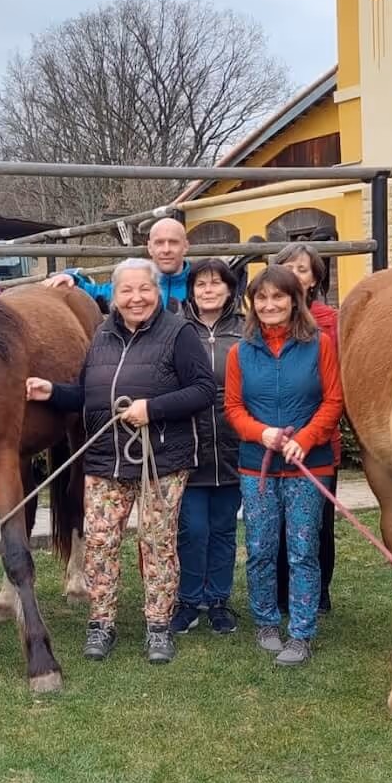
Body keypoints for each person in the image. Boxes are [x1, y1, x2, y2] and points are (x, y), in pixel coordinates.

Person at [25, 259, 214, 665]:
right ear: (114, 296)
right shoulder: (102, 336)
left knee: (157, 543)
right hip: (106, 458)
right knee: (99, 543)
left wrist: (154, 408)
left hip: (160, 459)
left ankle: (159, 626)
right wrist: (52, 392)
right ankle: (102, 621)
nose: (136, 298)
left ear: (157, 291)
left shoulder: (178, 334)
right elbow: (88, 395)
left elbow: (203, 391)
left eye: (144, 289)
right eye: (126, 291)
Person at [224, 265, 344, 666]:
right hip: (256, 465)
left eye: (278, 297)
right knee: (259, 547)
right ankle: (266, 621)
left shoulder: (320, 345)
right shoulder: (240, 353)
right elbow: (233, 408)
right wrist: (263, 434)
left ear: (295, 300)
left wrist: (305, 439)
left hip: (309, 465)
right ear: (252, 304)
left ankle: (302, 632)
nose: (270, 304)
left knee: (303, 549)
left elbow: (333, 401)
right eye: (261, 298)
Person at [173, 258, 247, 635]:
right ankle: (187, 600)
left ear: (230, 290)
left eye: (216, 283)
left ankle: (218, 600)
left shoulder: (247, 331)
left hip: (233, 446)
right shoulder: (177, 330)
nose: (208, 290)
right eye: (200, 284)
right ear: (191, 291)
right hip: (190, 447)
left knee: (222, 529)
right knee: (192, 529)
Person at [272, 242, 340, 615]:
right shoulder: (266, 319)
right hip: (272, 438)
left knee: (317, 523)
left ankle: (318, 591)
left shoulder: (329, 320)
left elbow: (336, 386)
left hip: (317, 439)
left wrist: (313, 432)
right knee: (277, 522)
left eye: (302, 269)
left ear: (315, 279)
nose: (294, 275)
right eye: (286, 267)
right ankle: (282, 591)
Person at [46, 217, 193, 312]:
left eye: (173, 242)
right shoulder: (134, 284)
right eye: (159, 243)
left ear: (185, 246)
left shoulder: (199, 285)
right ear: (149, 247)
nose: (166, 250)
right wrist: (70, 276)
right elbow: (97, 294)